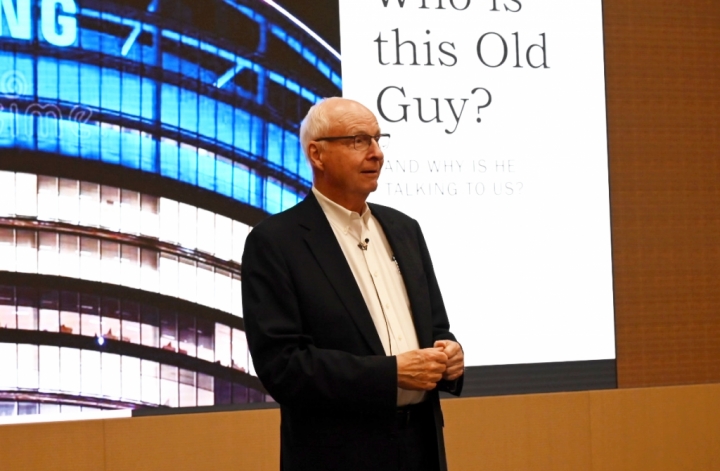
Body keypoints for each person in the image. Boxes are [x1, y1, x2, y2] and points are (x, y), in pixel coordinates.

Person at [241, 97, 464, 471]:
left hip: (421, 447)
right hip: (339, 454)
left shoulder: (405, 230)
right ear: (317, 154)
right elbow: (283, 366)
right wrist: (391, 374)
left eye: (378, 139)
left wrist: (449, 353)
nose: (376, 153)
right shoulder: (275, 242)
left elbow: (436, 328)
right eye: (359, 140)